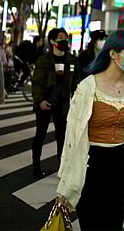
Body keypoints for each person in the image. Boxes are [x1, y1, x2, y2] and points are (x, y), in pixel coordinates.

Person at [56, 30, 124, 230]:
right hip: (91, 164)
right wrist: (65, 182)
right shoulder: (88, 86)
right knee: (92, 225)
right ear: (113, 54)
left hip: (118, 165)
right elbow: (72, 136)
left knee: (113, 225)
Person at [31, 28, 81, 178]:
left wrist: (77, 101)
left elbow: (77, 83)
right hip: (45, 103)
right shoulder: (44, 60)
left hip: (63, 104)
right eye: (61, 38)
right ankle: (36, 166)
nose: (64, 40)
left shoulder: (72, 60)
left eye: (66, 38)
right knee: (40, 134)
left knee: (62, 136)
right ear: (52, 41)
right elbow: (37, 83)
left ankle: (63, 166)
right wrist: (40, 101)